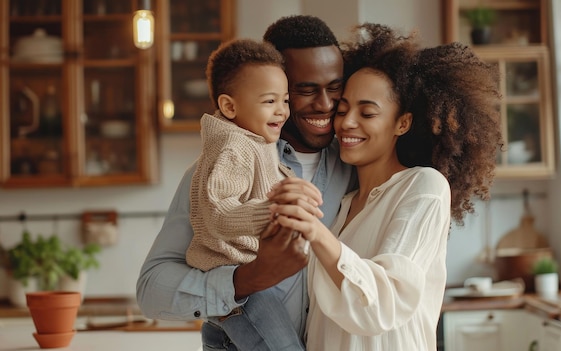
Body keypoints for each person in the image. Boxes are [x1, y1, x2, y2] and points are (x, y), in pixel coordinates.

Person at [267, 23, 503, 350]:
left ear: (402, 123)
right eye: (344, 109)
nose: (347, 123)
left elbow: (382, 302)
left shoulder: (424, 187)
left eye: (367, 113)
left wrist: (315, 233)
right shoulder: (343, 206)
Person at [136, 15, 354, 350]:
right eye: (304, 90)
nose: (324, 104)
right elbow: (151, 291)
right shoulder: (214, 169)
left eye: (334, 87)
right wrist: (244, 281)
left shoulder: (354, 165)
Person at [185, 38, 326, 350]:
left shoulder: (255, 141)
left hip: (238, 289)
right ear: (229, 106)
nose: (282, 112)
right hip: (240, 287)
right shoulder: (234, 147)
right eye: (269, 101)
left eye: (285, 100)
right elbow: (218, 215)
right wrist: (277, 208)